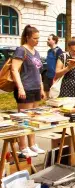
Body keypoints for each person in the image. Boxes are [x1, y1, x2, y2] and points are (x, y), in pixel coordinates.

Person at [11, 25, 46, 157]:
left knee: (32, 119)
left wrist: (42, 88)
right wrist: (20, 87)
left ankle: (32, 144)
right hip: (25, 88)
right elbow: (14, 70)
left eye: (38, 38)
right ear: (27, 37)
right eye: (35, 38)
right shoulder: (21, 50)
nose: (37, 41)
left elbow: (38, 72)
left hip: (36, 88)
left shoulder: (35, 52)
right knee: (23, 119)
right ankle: (23, 146)